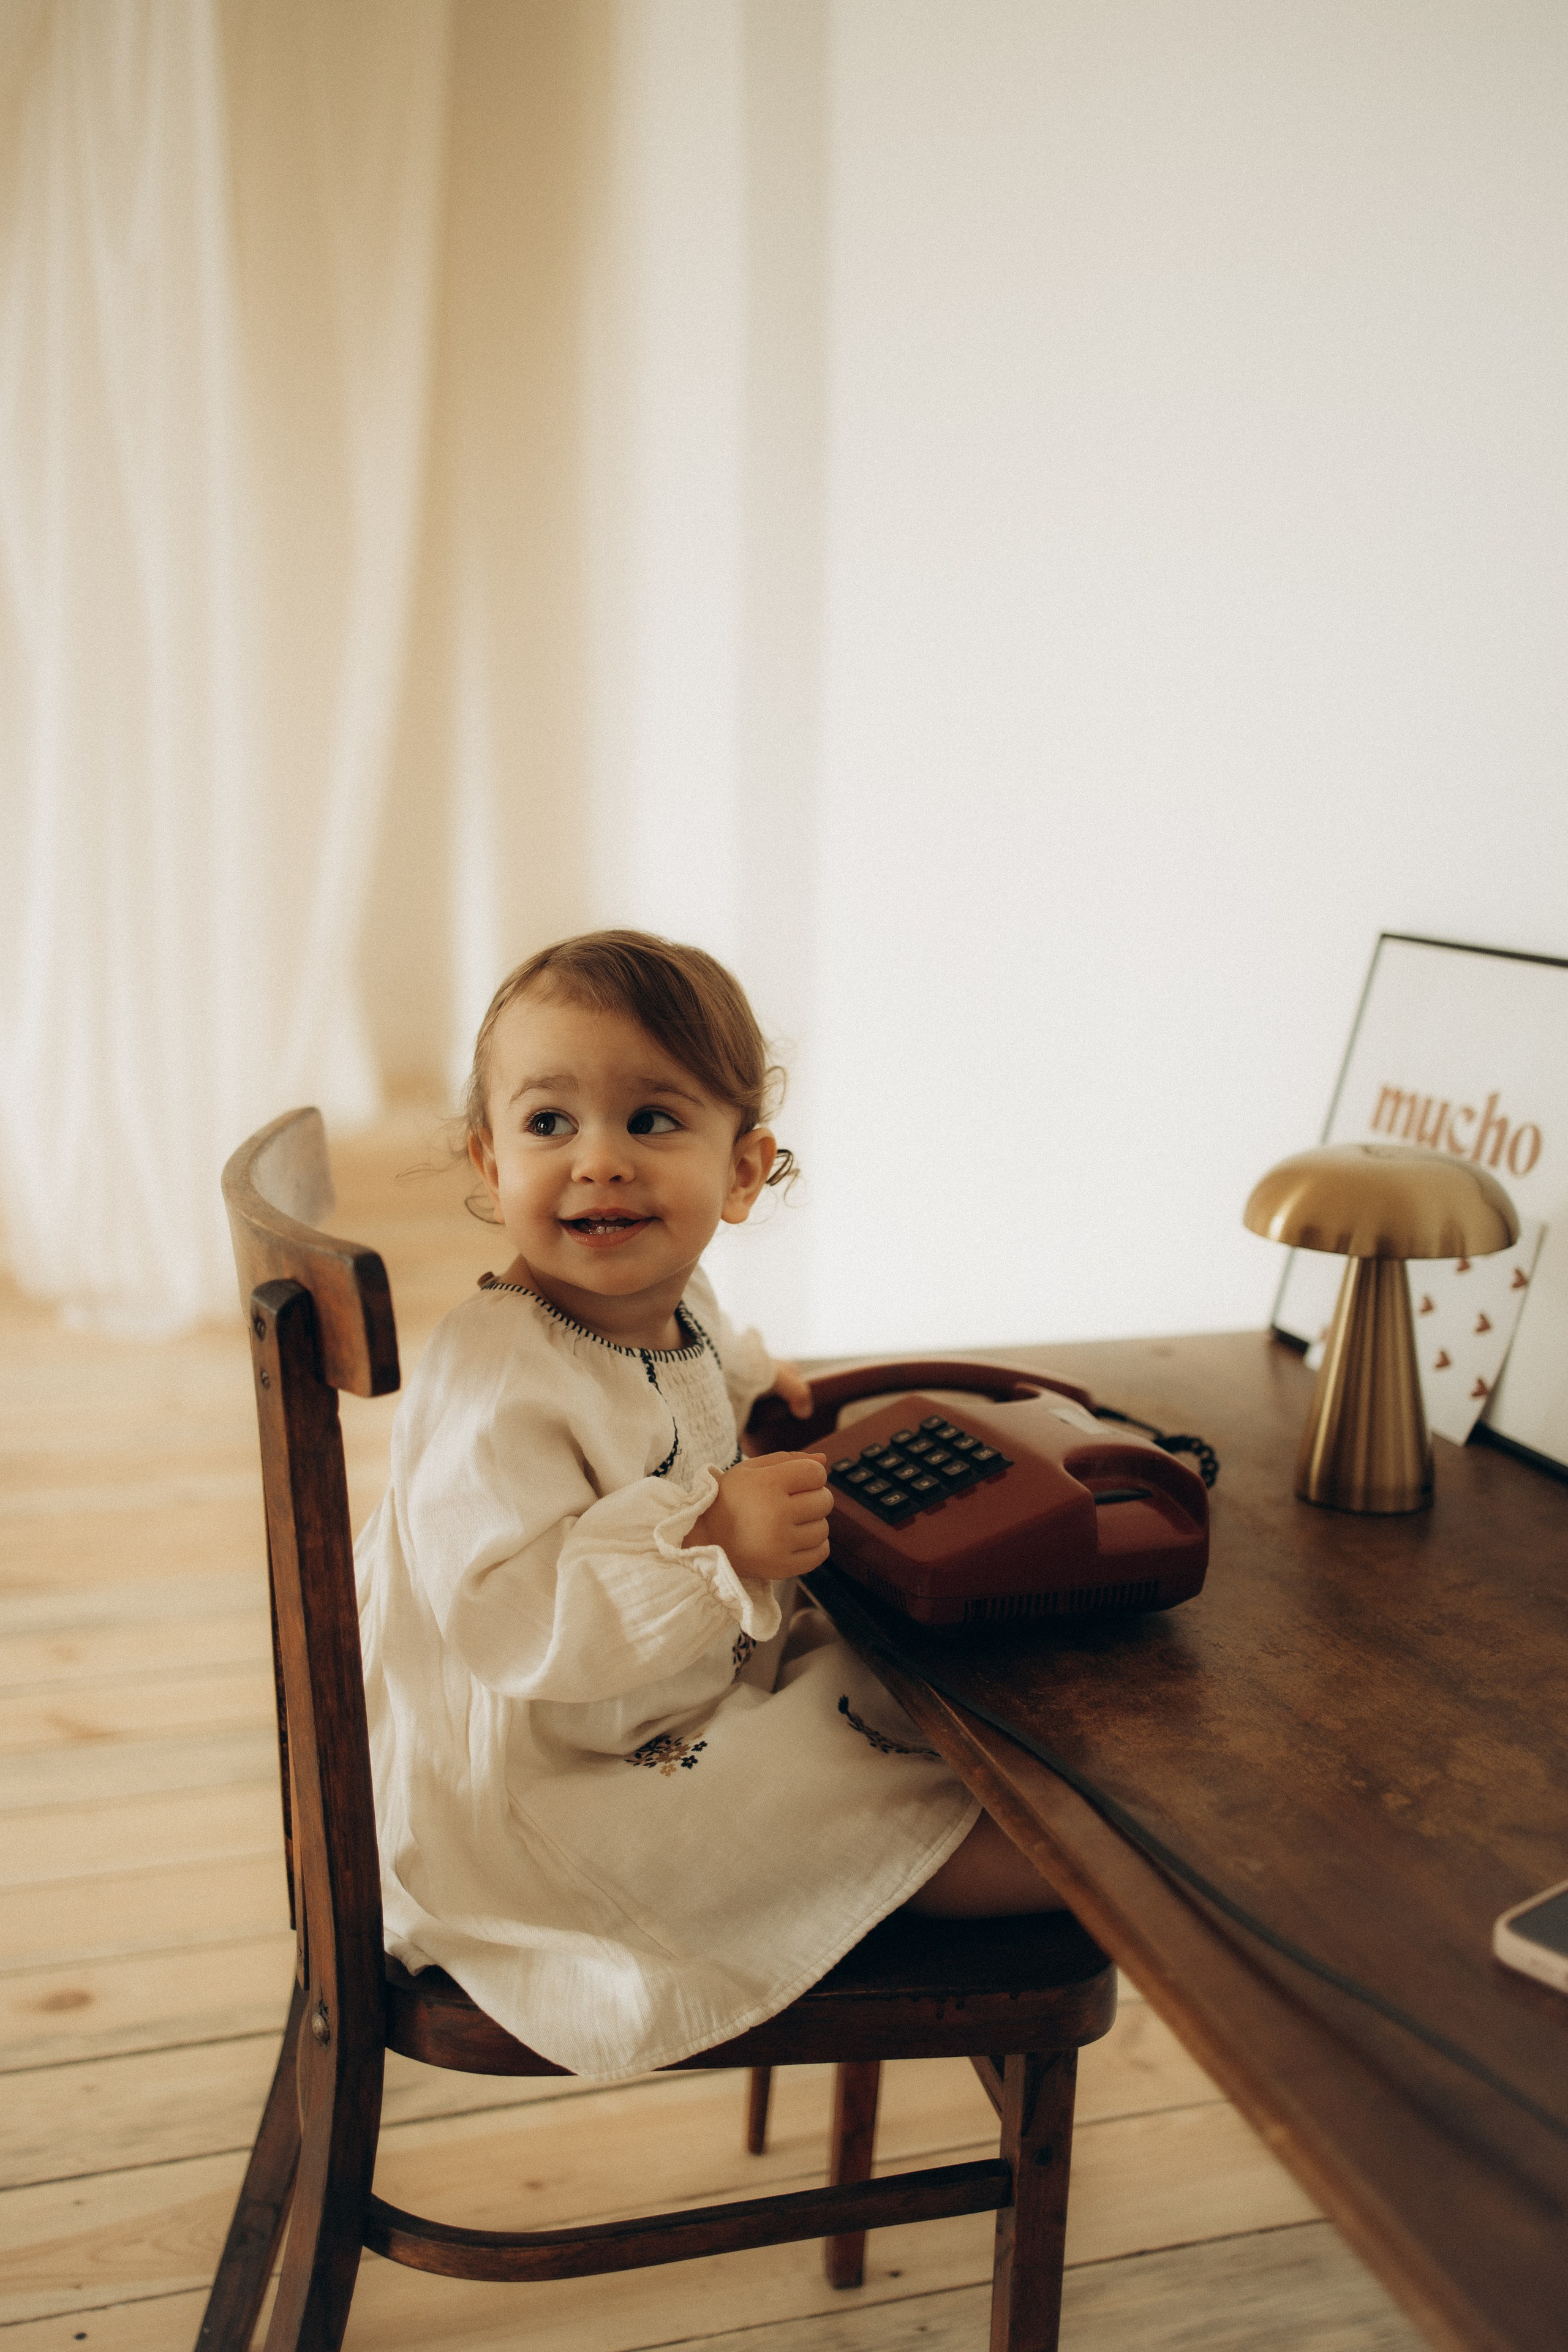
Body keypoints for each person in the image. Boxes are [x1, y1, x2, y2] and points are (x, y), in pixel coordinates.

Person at [355, 929, 1061, 2082]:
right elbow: (510, 1614)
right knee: (904, 1802)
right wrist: (711, 1538)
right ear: (490, 1162)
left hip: (659, 1702)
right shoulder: (491, 1377)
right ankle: (1026, 1874)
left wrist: (751, 1384)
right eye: (549, 1124)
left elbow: (680, 1374)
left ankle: (1020, 1827)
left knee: (949, 1697)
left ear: (740, 1172)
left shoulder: (657, 1301)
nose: (600, 1162)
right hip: (541, 1792)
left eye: (651, 1120)